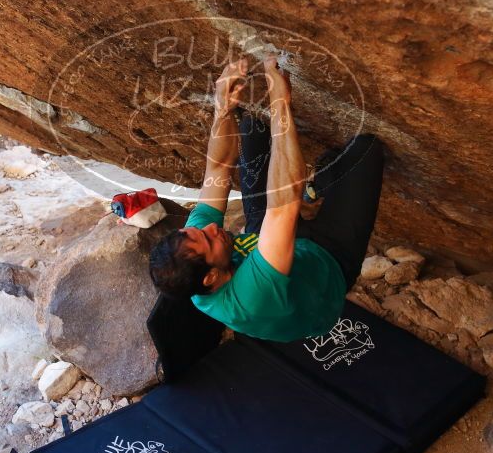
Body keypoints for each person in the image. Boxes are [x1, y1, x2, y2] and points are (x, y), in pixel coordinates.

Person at [149, 54, 383, 342]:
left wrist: (222, 108)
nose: (211, 228)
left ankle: (318, 189)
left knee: (251, 128)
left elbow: (219, 169)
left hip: (267, 240)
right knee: (365, 150)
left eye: (198, 230)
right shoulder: (251, 297)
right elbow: (283, 203)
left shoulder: (194, 262)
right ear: (210, 277)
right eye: (209, 240)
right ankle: (322, 183)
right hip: (327, 264)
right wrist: (280, 103)